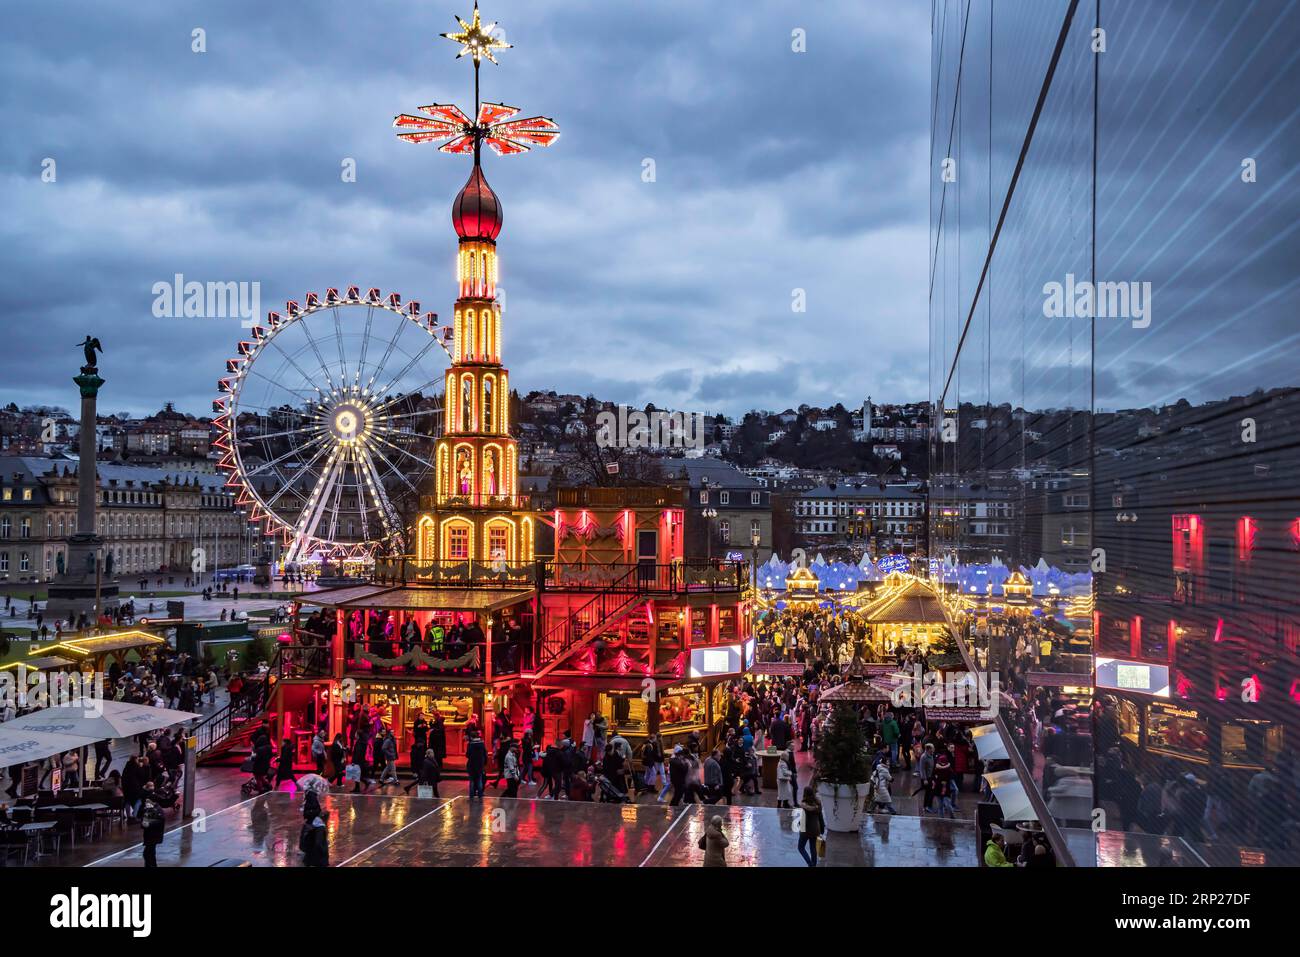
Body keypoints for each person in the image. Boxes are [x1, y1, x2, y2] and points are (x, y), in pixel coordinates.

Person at [139, 785, 167, 868]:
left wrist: (148, 824)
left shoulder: (157, 811)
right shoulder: (149, 810)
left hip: (153, 836)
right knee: (149, 853)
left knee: (148, 854)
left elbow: (158, 821)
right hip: (150, 836)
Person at [797, 786, 824, 867]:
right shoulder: (818, 804)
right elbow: (821, 818)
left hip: (805, 829)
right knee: (813, 848)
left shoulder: (804, 804)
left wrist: (799, 823)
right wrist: (822, 829)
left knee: (800, 847)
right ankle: (814, 865)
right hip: (815, 829)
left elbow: (802, 818)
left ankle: (810, 864)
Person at [466, 730, 488, 799]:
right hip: (480, 765)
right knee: (479, 780)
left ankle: (472, 795)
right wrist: (484, 763)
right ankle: (480, 794)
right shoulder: (482, 744)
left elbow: (468, 755)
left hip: (471, 764)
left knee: (472, 781)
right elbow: (485, 754)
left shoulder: (470, 744)